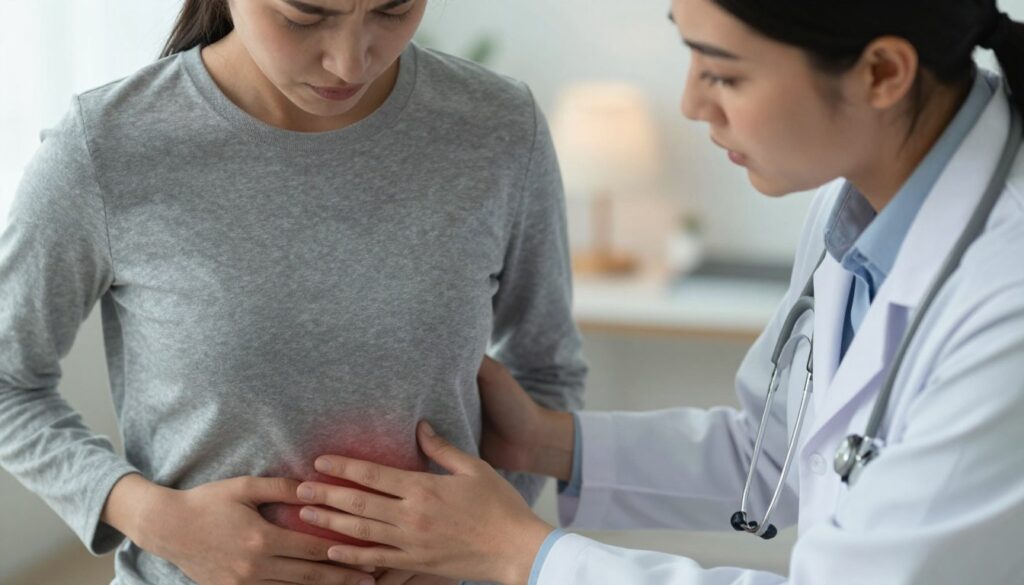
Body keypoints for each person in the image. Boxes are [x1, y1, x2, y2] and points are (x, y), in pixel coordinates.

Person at [286, 0, 1024, 583]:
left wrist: (520, 553)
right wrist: (548, 441)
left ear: (882, 73)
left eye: (725, 73)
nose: (691, 104)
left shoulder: (1007, 300)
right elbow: (778, 458)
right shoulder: (856, 206)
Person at [0, 0, 586, 584]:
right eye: (305, 17)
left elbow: (546, 376)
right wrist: (152, 518)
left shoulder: (499, 126)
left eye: (393, 11)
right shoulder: (107, 148)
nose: (351, 63)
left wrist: (485, 544)